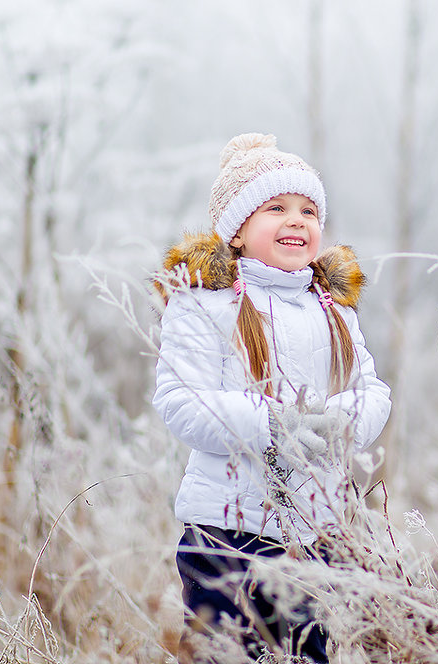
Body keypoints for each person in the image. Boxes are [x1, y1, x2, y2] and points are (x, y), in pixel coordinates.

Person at [153, 133, 392, 662]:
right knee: (231, 654)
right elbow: (181, 401)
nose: (297, 220)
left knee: (307, 654)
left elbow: (371, 391)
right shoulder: (204, 304)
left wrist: (337, 423)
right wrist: (276, 423)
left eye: (309, 210)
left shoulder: (332, 309)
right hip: (226, 532)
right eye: (276, 207)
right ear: (236, 232)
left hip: (313, 533)